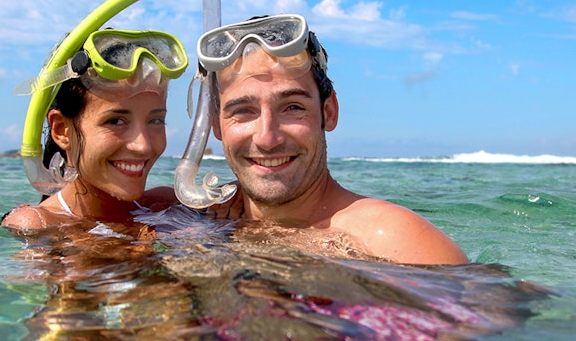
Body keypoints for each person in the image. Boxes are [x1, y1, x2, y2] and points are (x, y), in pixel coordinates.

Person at [193, 14, 469, 265]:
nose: (267, 138)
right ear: (216, 124)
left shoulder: (393, 241)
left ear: (329, 112)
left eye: (293, 108)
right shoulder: (190, 218)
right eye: (243, 111)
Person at [3, 28, 188, 231]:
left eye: (155, 120)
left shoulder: (165, 206)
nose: (142, 146)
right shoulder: (39, 225)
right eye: (116, 121)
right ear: (62, 130)